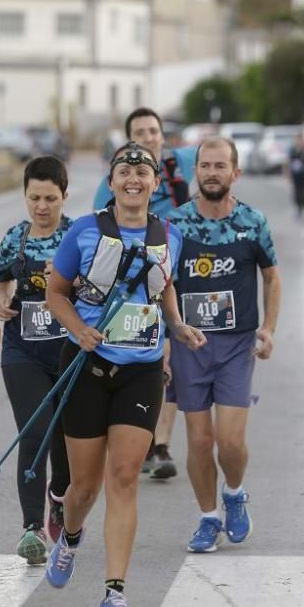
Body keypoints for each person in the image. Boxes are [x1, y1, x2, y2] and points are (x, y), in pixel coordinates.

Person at [45, 142, 205, 607]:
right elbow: (55, 291)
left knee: (124, 478)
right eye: (125, 171)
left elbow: (165, 284)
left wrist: (176, 325)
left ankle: (114, 594)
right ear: (111, 181)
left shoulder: (168, 235)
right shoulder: (85, 230)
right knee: (84, 486)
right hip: (88, 366)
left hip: (141, 368)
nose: (134, 178)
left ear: (155, 183)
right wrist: (79, 329)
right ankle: (70, 535)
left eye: (143, 171)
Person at [167, 137, 281, 554]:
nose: (211, 173)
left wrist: (268, 329)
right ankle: (207, 517)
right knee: (199, 441)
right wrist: (172, 332)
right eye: (205, 166)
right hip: (190, 346)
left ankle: (234, 492)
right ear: (195, 171)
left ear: (236, 173)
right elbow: (163, 285)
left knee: (230, 442)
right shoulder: (175, 225)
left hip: (235, 345)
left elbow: (272, 276)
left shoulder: (252, 222)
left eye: (220, 166)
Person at [93, 106, 197, 479]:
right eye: (140, 131)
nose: (149, 137)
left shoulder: (180, 163)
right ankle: (145, 438)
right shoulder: (114, 181)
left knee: (171, 353)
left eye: (154, 131)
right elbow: (97, 234)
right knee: (157, 351)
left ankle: (161, 443)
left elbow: (219, 157)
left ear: (163, 136)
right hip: (134, 283)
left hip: (177, 268)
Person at [0, 156, 74, 564]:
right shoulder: (15, 238)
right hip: (22, 348)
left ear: (64, 196)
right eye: (34, 198)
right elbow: (2, 277)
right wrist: (2, 300)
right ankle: (31, 527)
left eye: (50, 198)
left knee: (64, 436)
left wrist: (69, 280)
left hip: (67, 351)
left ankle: (59, 496)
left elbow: (97, 290)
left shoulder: (79, 236)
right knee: (34, 429)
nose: (41, 207)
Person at [288, 133, 304, 221]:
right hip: (295, 174)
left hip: (303, 174)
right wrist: (288, 174)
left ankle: (303, 210)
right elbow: (289, 161)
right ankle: (297, 210)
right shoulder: (293, 150)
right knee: (296, 192)